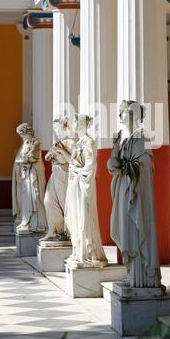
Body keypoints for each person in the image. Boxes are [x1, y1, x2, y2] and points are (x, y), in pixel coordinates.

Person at [107, 100, 164, 289]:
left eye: (123, 112)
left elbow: (146, 165)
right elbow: (112, 164)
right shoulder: (122, 138)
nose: (120, 115)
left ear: (132, 115)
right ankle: (132, 273)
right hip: (124, 189)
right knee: (125, 230)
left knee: (135, 229)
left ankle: (142, 277)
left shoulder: (141, 138)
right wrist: (116, 153)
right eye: (121, 112)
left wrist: (127, 167)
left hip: (136, 193)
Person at [65, 114, 108, 267]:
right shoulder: (78, 143)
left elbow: (90, 166)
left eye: (76, 122)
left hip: (82, 185)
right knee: (74, 217)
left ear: (82, 124)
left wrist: (76, 171)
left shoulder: (89, 142)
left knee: (84, 217)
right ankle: (78, 250)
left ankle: (89, 252)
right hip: (74, 185)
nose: (74, 124)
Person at [40, 117, 74, 243]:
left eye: (57, 127)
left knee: (64, 203)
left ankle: (68, 232)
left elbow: (69, 160)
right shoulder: (57, 142)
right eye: (54, 128)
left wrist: (60, 151)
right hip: (54, 175)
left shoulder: (69, 143)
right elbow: (47, 157)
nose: (55, 130)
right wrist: (52, 152)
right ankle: (54, 230)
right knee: (48, 201)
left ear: (64, 128)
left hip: (63, 174)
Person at [12, 123, 47, 233]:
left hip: (34, 176)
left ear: (27, 132)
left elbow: (32, 157)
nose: (21, 137)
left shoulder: (35, 143)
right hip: (25, 176)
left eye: (21, 134)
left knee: (35, 198)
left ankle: (37, 224)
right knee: (26, 199)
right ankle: (26, 221)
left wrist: (22, 160)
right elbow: (23, 158)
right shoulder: (25, 144)